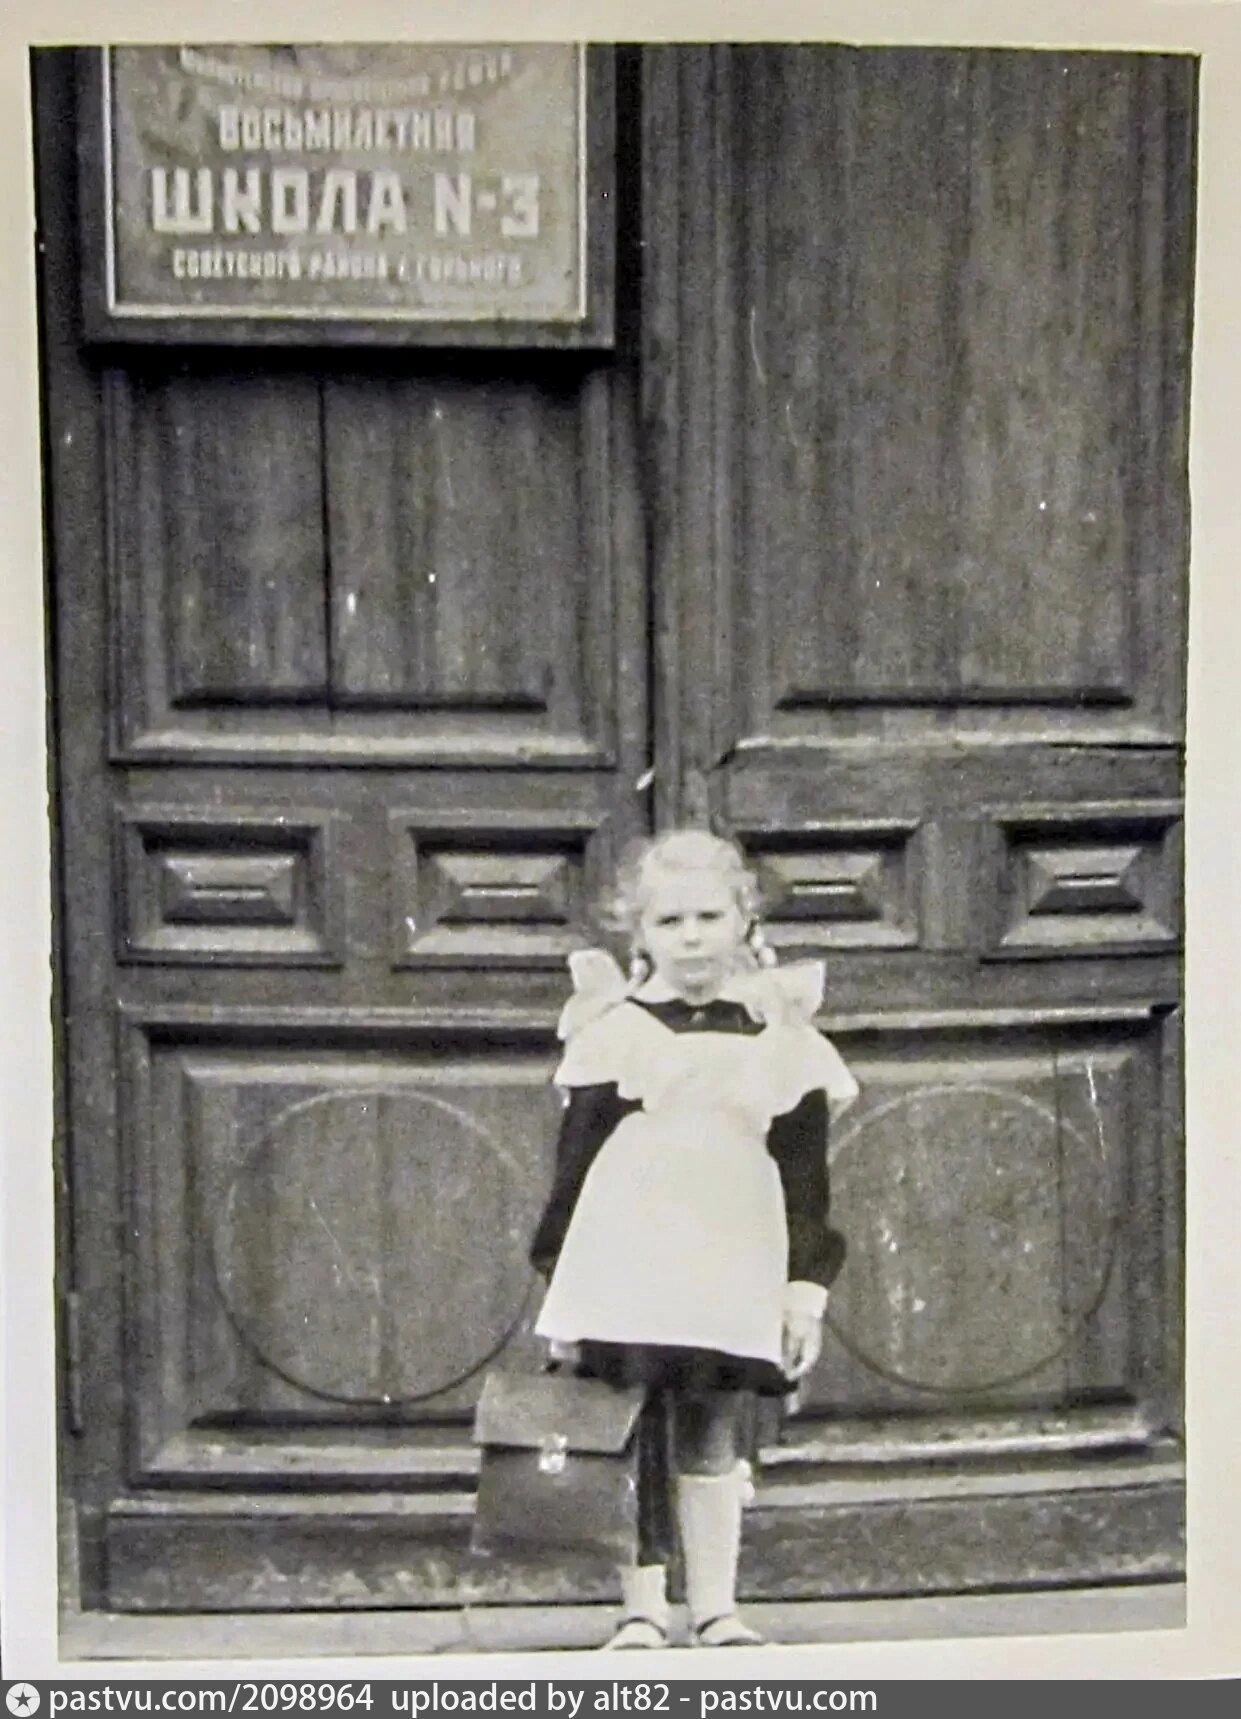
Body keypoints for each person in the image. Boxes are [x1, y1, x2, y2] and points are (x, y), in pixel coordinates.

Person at [529, 830, 859, 1649]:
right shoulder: (616, 1031)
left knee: (711, 1421)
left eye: (709, 916)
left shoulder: (781, 1037)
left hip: (729, 1260)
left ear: (744, 919)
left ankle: (715, 1606)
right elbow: (575, 1165)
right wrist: (561, 1284)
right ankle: (641, 1608)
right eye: (669, 921)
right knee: (630, 1423)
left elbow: (804, 1173)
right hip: (627, 1262)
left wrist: (803, 1290)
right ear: (639, 933)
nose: (691, 937)